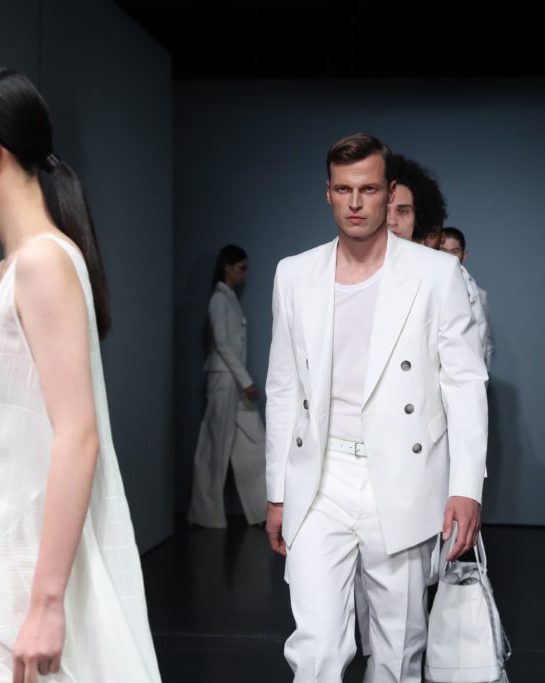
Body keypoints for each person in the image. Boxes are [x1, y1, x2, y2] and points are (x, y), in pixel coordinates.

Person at [0, 67, 161, 683]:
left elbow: (77, 435)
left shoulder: (41, 263)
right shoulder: (14, 270)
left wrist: (47, 604)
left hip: (19, 584)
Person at [264, 133, 489, 682]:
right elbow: (283, 385)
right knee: (315, 645)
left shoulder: (436, 274)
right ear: (328, 192)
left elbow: (464, 382)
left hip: (403, 476)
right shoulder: (294, 274)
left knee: (397, 650)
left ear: (389, 194)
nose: (355, 203)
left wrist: (466, 487)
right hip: (320, 477)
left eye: (368, 189)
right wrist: (276, 491)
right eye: (344, 189)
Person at [188, 245, 268, 527]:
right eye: (241, 268)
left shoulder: (229, 298)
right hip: (223, 381)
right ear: (227, 267)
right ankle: (204, 516)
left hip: (234, 380)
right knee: (214, 448)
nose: (245, 274)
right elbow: (221, 344)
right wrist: (246, 381)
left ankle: (264, 511)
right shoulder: (219, 299)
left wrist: (243, 381)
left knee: (254, 441)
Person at [441, 227, 494, 369]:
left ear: (464, 255)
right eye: (443, 251)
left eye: (454, 251)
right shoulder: (427, 287)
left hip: (469, 371)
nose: (449, 257)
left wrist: (483, 374)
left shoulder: (479, 294)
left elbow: (485, 340)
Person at [386, 155, 447, 249]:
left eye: (402, 211)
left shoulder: (438, 259)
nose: (392, 221)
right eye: (384, 211)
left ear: (417, 218)